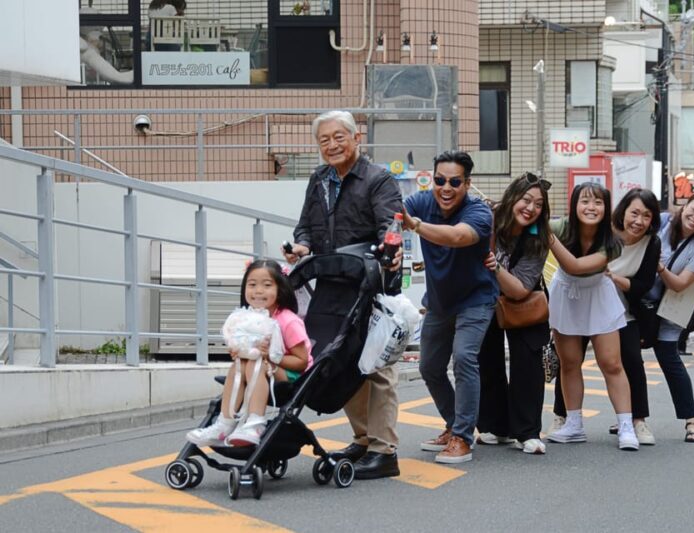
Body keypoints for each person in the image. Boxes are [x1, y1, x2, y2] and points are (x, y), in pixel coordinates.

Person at [282, 110, 403, 480]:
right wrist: (302, 247)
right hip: (331, 281)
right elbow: (306, 226)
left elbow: (390, 225)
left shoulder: (378, 178)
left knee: (376, 365)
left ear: (356, 138)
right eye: (324, 140)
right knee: (341, 358)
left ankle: (384, 451)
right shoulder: (319, 179)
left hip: (370, 280)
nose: (332, 145)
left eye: (339, 137)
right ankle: (364, 439)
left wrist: (389, 251)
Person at [403, 150, 498, 464]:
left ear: (467, 184)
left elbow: (458, 237)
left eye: (454, 182)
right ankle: (453, 424)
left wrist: (416, 225)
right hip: (439, 302)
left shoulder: (478, 211)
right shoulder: (422, 202)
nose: (446, 188)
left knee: (464, 358)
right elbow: (392, 211)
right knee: (429, 367)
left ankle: (462, 437)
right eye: (439, 180)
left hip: (476, 299)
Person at [550, 188, 661, 446]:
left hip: (599, 293)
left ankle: (627, 426)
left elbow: (576, 266)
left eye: (598, 202)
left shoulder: (613, 241)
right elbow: (533, 226)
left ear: (607, 208)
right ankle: (573, 424)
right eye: (585, 201)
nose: (591, 207)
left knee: (612, 363)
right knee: (569, 363)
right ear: (574, 205)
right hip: (565, 293)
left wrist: (548, 238)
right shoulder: (561, 226)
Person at [186, 260, 311, 447]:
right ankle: (224, 423)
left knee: (255, 363)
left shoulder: (288, 321)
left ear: (280, 289)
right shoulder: (247, 318)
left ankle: (255, 423)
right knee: (238, 364)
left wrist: (270, 356)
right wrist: (239, 350)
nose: (258, 291)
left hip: (293, 373)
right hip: (263, 367)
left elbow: (302, 362)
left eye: (267, 285)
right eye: (252, 285)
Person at [476, 172, 552, 455]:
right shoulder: (488, 220)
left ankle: (528, 432)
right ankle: (496, 427)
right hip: (485, 297)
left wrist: (495, 267)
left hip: (524, 301)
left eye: (538, 204)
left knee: (528, 362)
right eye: (526, 200)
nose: (531, 208)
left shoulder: (538, 238)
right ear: (511, 198)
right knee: (487, 359)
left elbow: (520, 289)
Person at [646, 191, 694, 443]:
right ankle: (632, 417)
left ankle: (692, 420)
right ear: (684, 205)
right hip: (637, 304)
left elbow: (679, 285)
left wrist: (658, 266)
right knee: (628, 360)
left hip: (669, 310)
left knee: (670, 360)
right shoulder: (662, 222)